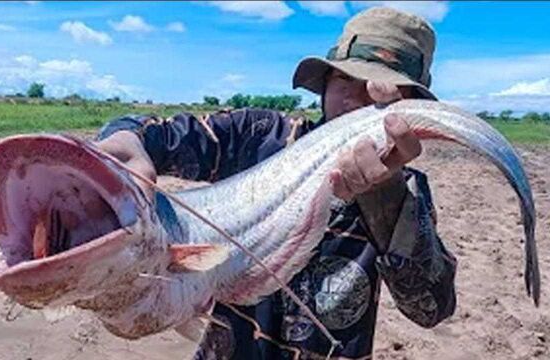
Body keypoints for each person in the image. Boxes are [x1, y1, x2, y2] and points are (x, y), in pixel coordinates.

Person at [96, 7, 457, 360]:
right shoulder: (261, 136)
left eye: (384, 92)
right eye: (347, 78)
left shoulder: (407, 190)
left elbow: (431, 308)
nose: (360, 100)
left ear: (410, 109)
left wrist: (385, 195)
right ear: (326, 81)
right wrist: (126, 140)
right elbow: (158, 135)